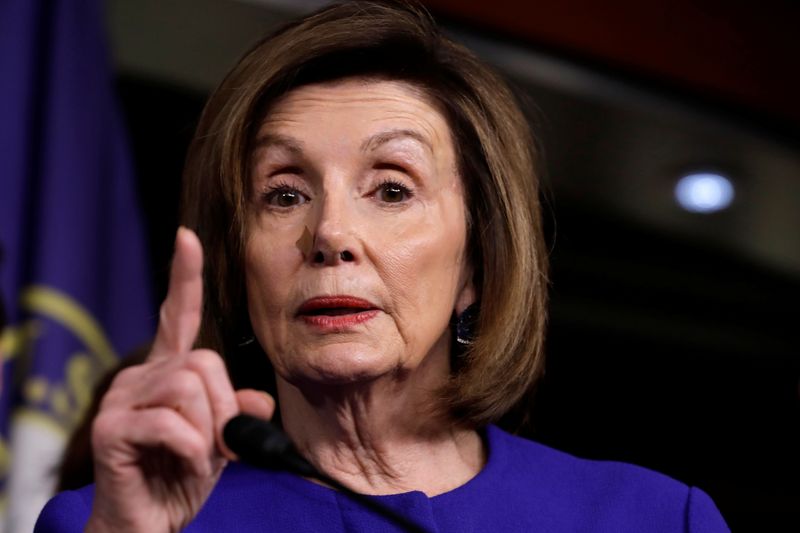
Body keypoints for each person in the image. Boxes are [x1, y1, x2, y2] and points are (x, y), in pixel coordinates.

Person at [35, 1, 729, 531]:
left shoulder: (654, 518)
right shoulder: (112, 520)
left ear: (476, 266)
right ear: (235, 261)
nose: (330, 233)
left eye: (392, 188)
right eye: (284, 194)